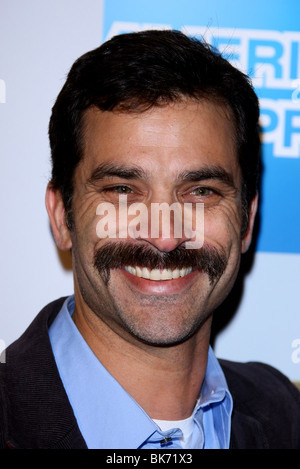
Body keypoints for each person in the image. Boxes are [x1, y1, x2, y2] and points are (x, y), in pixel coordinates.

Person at [0, 29, 299, 450]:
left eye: (201, 192)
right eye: (123, 190)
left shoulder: (283, 413)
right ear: (61, 215)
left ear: (247, 220)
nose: (164, 236)